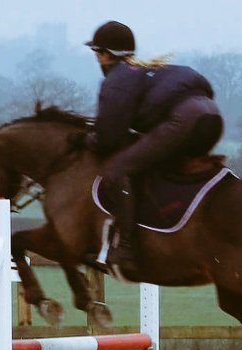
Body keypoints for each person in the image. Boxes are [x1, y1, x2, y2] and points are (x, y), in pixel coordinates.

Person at [84, 20, 224, 275]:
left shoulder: (118, 78)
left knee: (116, 170)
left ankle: (126, 247)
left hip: (184, 120)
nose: (97, 59)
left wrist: (86, 140)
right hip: (211, 117)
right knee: (151, 163)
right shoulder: (147, 70)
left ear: (104, 54)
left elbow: (108, 140)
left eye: (97, 54)